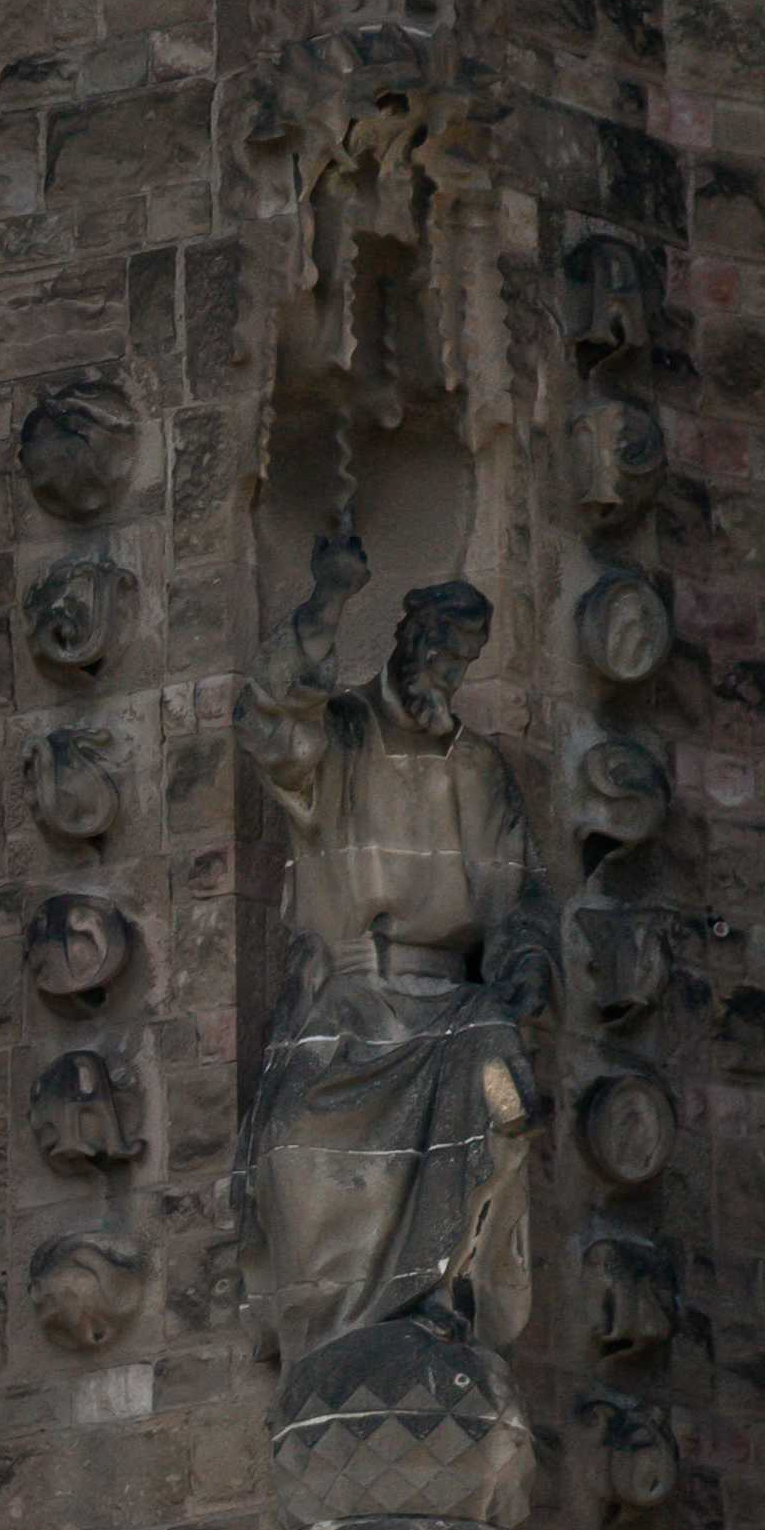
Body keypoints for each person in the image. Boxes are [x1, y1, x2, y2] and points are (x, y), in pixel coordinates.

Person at [242, 528, 548, 1364]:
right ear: (406, 636)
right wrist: (327, 599)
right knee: (297, 1144)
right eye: (438, 651)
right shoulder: (337, 737)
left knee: (498, 1090)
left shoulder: (479, 771)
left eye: (463, 663)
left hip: (454, 1012)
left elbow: (520, 899)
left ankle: (444, 1310)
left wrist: (523, 966)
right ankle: (326, 1344)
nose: (445, 673)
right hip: (346, 1008)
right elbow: (270, 720)